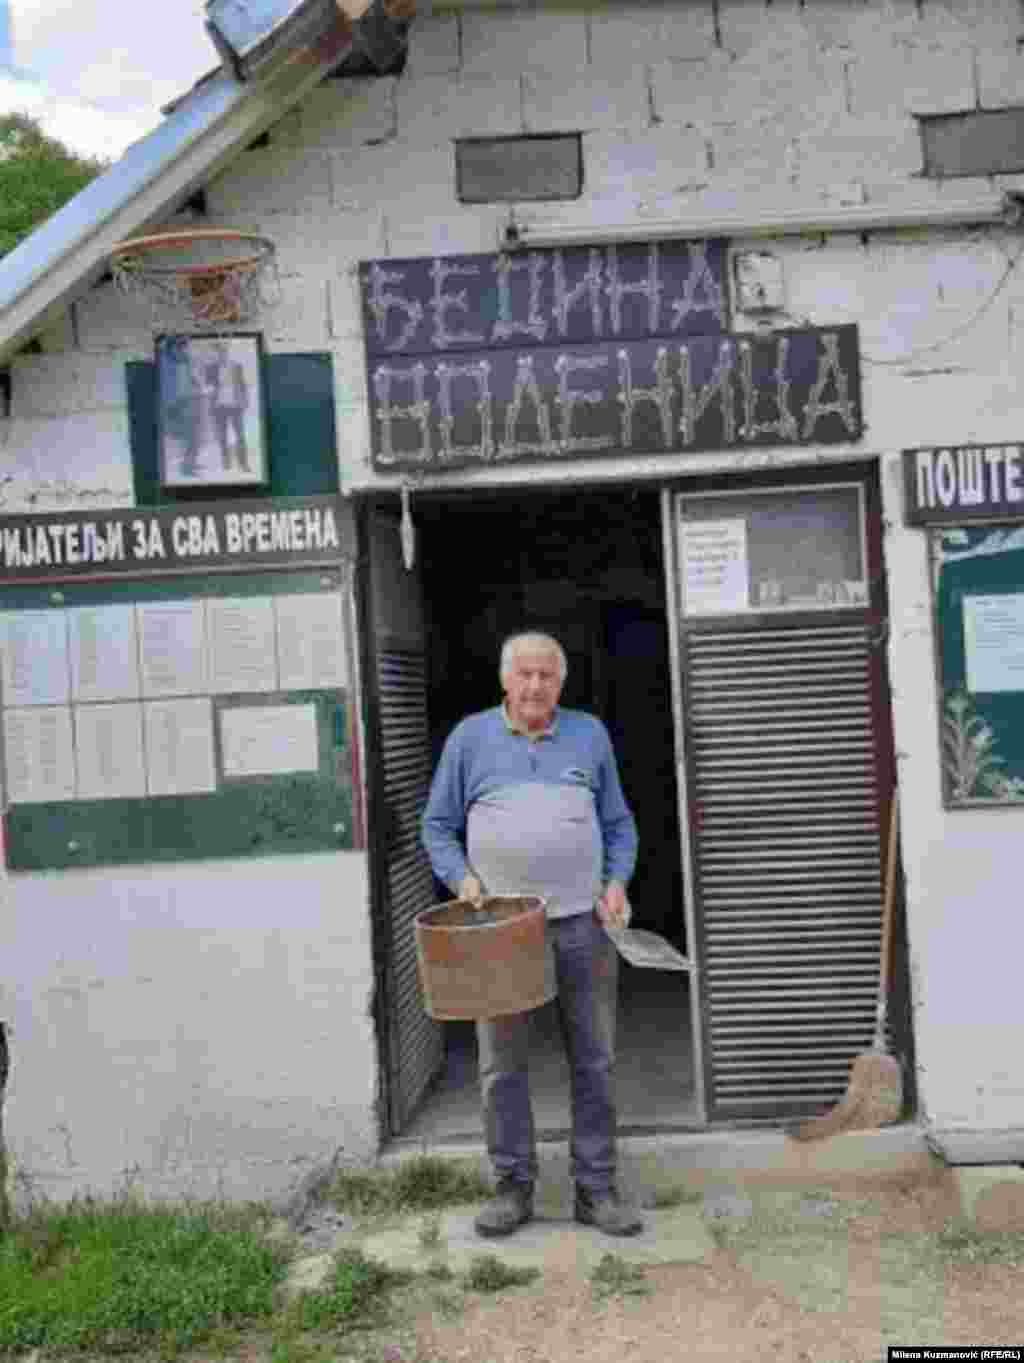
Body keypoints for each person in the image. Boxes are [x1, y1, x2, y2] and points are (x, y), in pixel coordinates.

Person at [421, 631, 642, 1239]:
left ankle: (595, 1189)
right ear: (505, 680)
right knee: (502, 1067)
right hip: (499, 933)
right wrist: (461, 878)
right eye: (524, 673)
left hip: (582, 925)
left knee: (595, 1060)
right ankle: (511, 1187)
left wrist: (616, 882)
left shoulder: (589, 735)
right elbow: (437, 826)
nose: (535, 685)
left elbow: (619, 825)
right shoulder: (470, 739)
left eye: (546, 675)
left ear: (560, 682)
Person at [204, 340, 250, 471]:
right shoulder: (211, 368)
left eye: (224, 352)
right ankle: (226, 463)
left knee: (240, 435)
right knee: (222, 436)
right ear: (216, 354)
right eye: (219, 352)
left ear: (227, 353)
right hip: (219, 406)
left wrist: (245, 400)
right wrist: (211, 388)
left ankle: (243, 463)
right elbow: (208, 386)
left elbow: (242, 384)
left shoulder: (237, 366)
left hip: (235, 406)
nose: (222, 355)